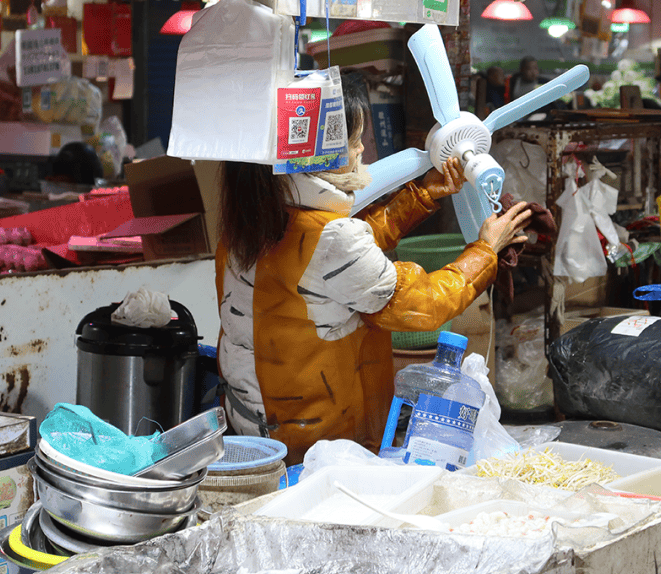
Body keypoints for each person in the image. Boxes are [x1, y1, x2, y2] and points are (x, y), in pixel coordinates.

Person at [214, 85, 533, 464]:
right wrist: (486, 250)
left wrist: (423, 195)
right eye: (352, 141)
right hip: (318, 443)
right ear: (319, 154)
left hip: (254, 427)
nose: (362, 150)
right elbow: (424, 304)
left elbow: (341, 260)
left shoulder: (250, 219)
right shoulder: (331, 238)